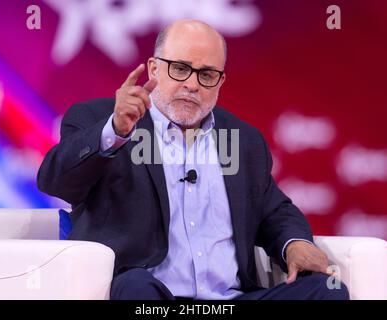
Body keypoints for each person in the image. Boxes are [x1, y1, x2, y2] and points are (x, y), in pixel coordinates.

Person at [37, 19, 349, 300]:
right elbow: (57, 181)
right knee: (134, 287)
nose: (192, 84)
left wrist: (293, 243)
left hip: (228, 300)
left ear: (220, 83)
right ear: (155, 69)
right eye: (181, 68)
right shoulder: (100, 119)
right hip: (152, 298)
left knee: (326, 292)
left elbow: (274, 209)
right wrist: (115, 131)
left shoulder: (243, 139)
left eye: (207, 74)